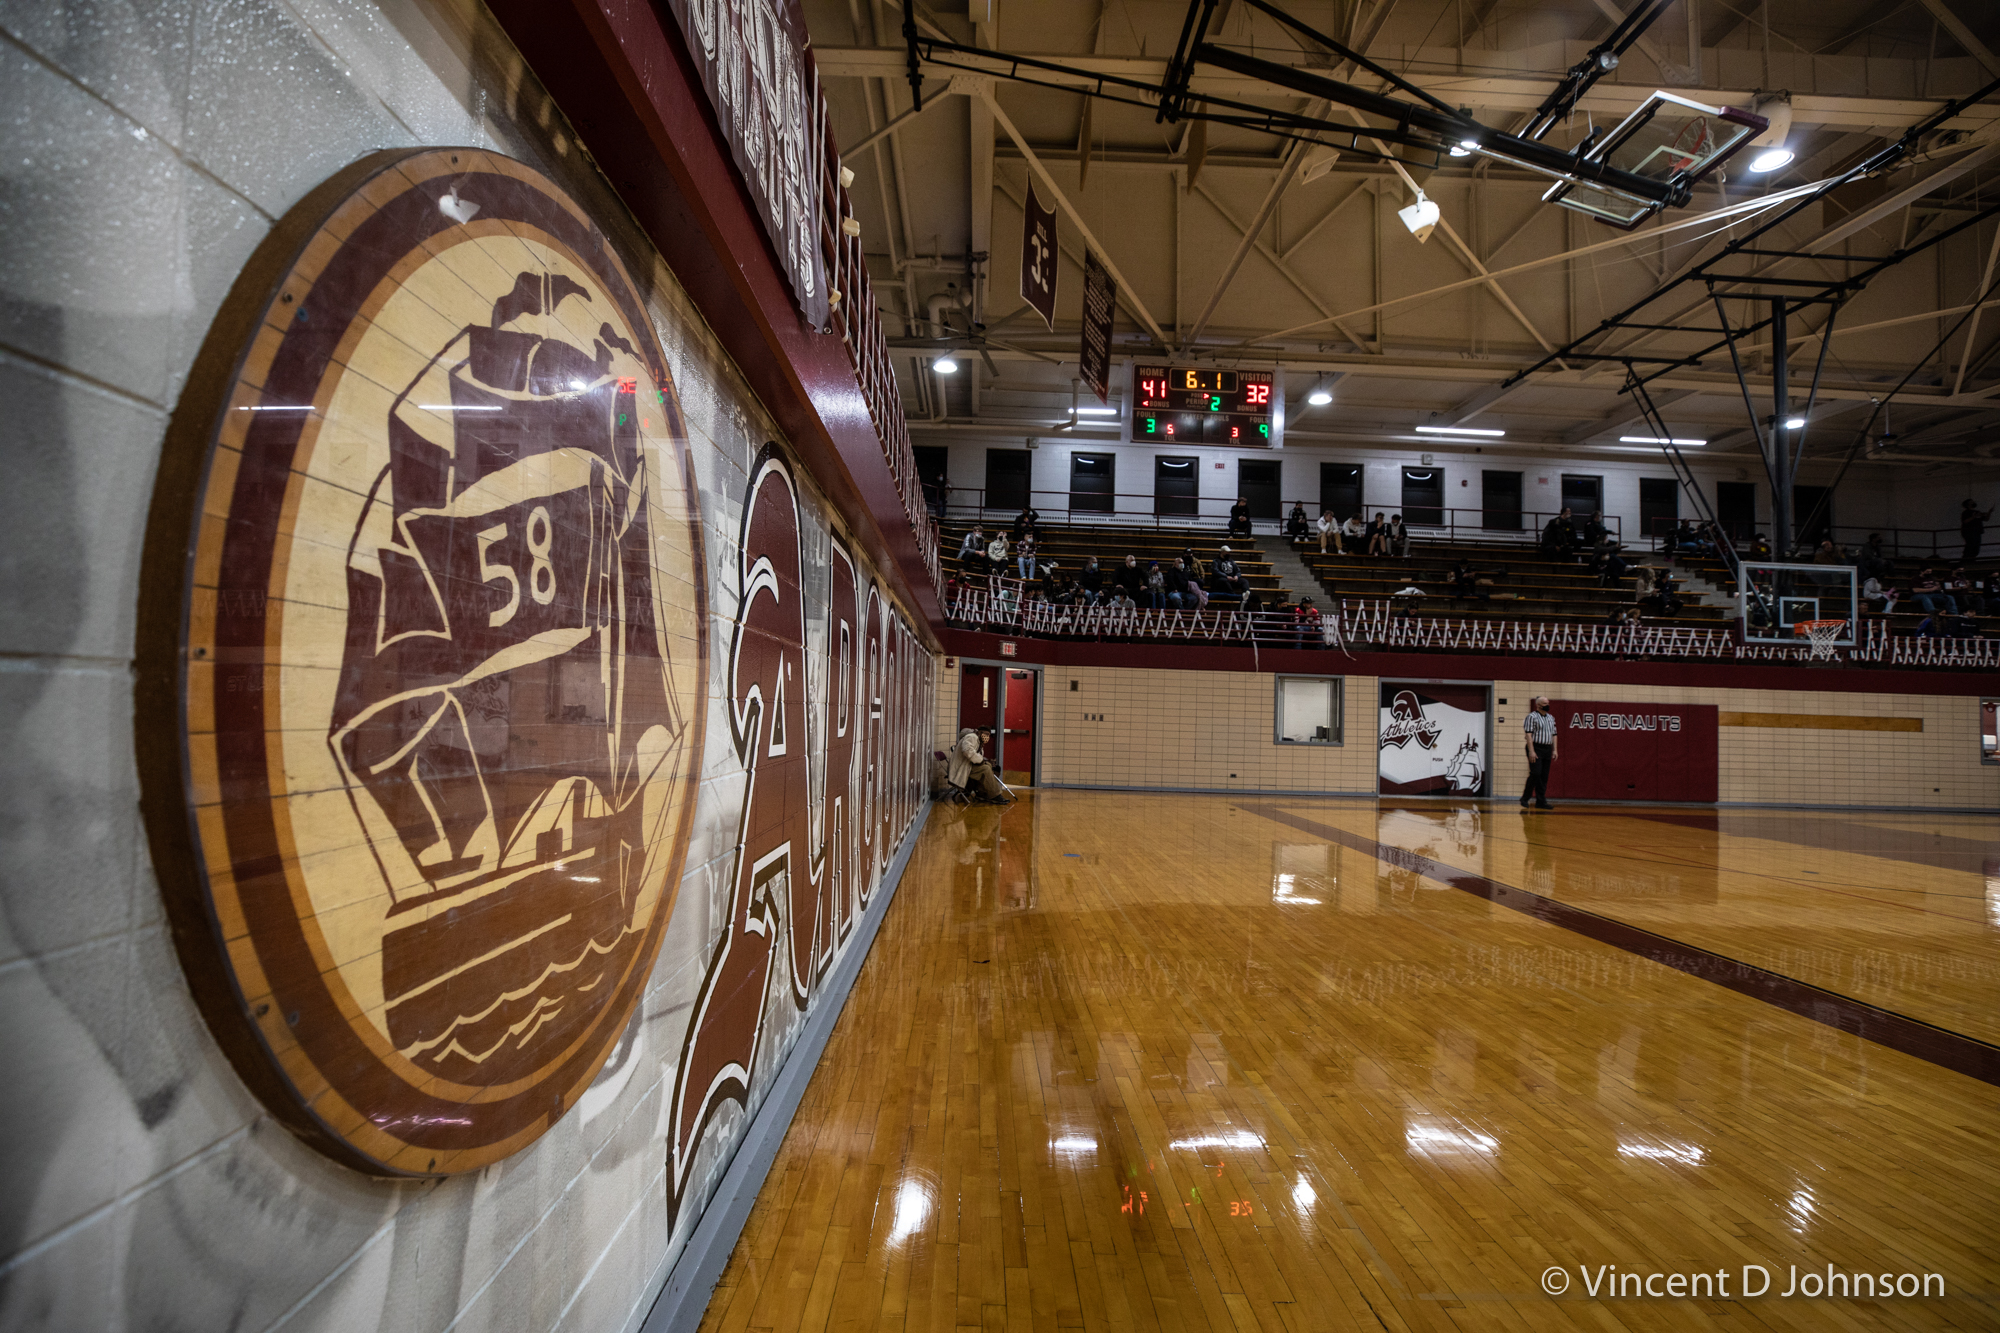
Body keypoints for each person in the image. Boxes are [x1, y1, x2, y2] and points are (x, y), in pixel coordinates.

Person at [946, 727, 1009, 802]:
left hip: (966, 766)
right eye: (985, 734)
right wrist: (981, 760)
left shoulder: (978, 741)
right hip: (961, 768)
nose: (987, 737)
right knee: (986, 769)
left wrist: (984, 760)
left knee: (988, 765)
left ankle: (981, 793)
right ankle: (996, 795)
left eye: (988, 735)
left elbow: (976, 756)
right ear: (980, 732)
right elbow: (967, 751)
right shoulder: (972, 737)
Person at [1520, 695, 1556, 811]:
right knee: (1536, 773)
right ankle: (1525, 798)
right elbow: (1528, 735)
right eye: (1545, 703)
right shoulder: (1531, 717)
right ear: (1538, 705)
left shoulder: (1551, 718)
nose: (1548, 705)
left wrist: (1555, 749)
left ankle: (1541, 801)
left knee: (1544, 776)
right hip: (1535, 747)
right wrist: (1531, 751)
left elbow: (1554, 735)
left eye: (1548, 702)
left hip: (1547, 748)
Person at [1962, 498, 1994, 562]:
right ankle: (1966, 560)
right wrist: (1973, 517)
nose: (1973, 502)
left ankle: (1972, 559)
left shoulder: (1977, 512)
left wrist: (1989, 512)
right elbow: (1965, 521)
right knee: (1970, 546)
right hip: (1969, 532)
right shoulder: (1965, 513)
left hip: (1977, 532)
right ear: (1967, 504)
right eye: (1971, 502)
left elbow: (1986, 519)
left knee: (1976, 547)